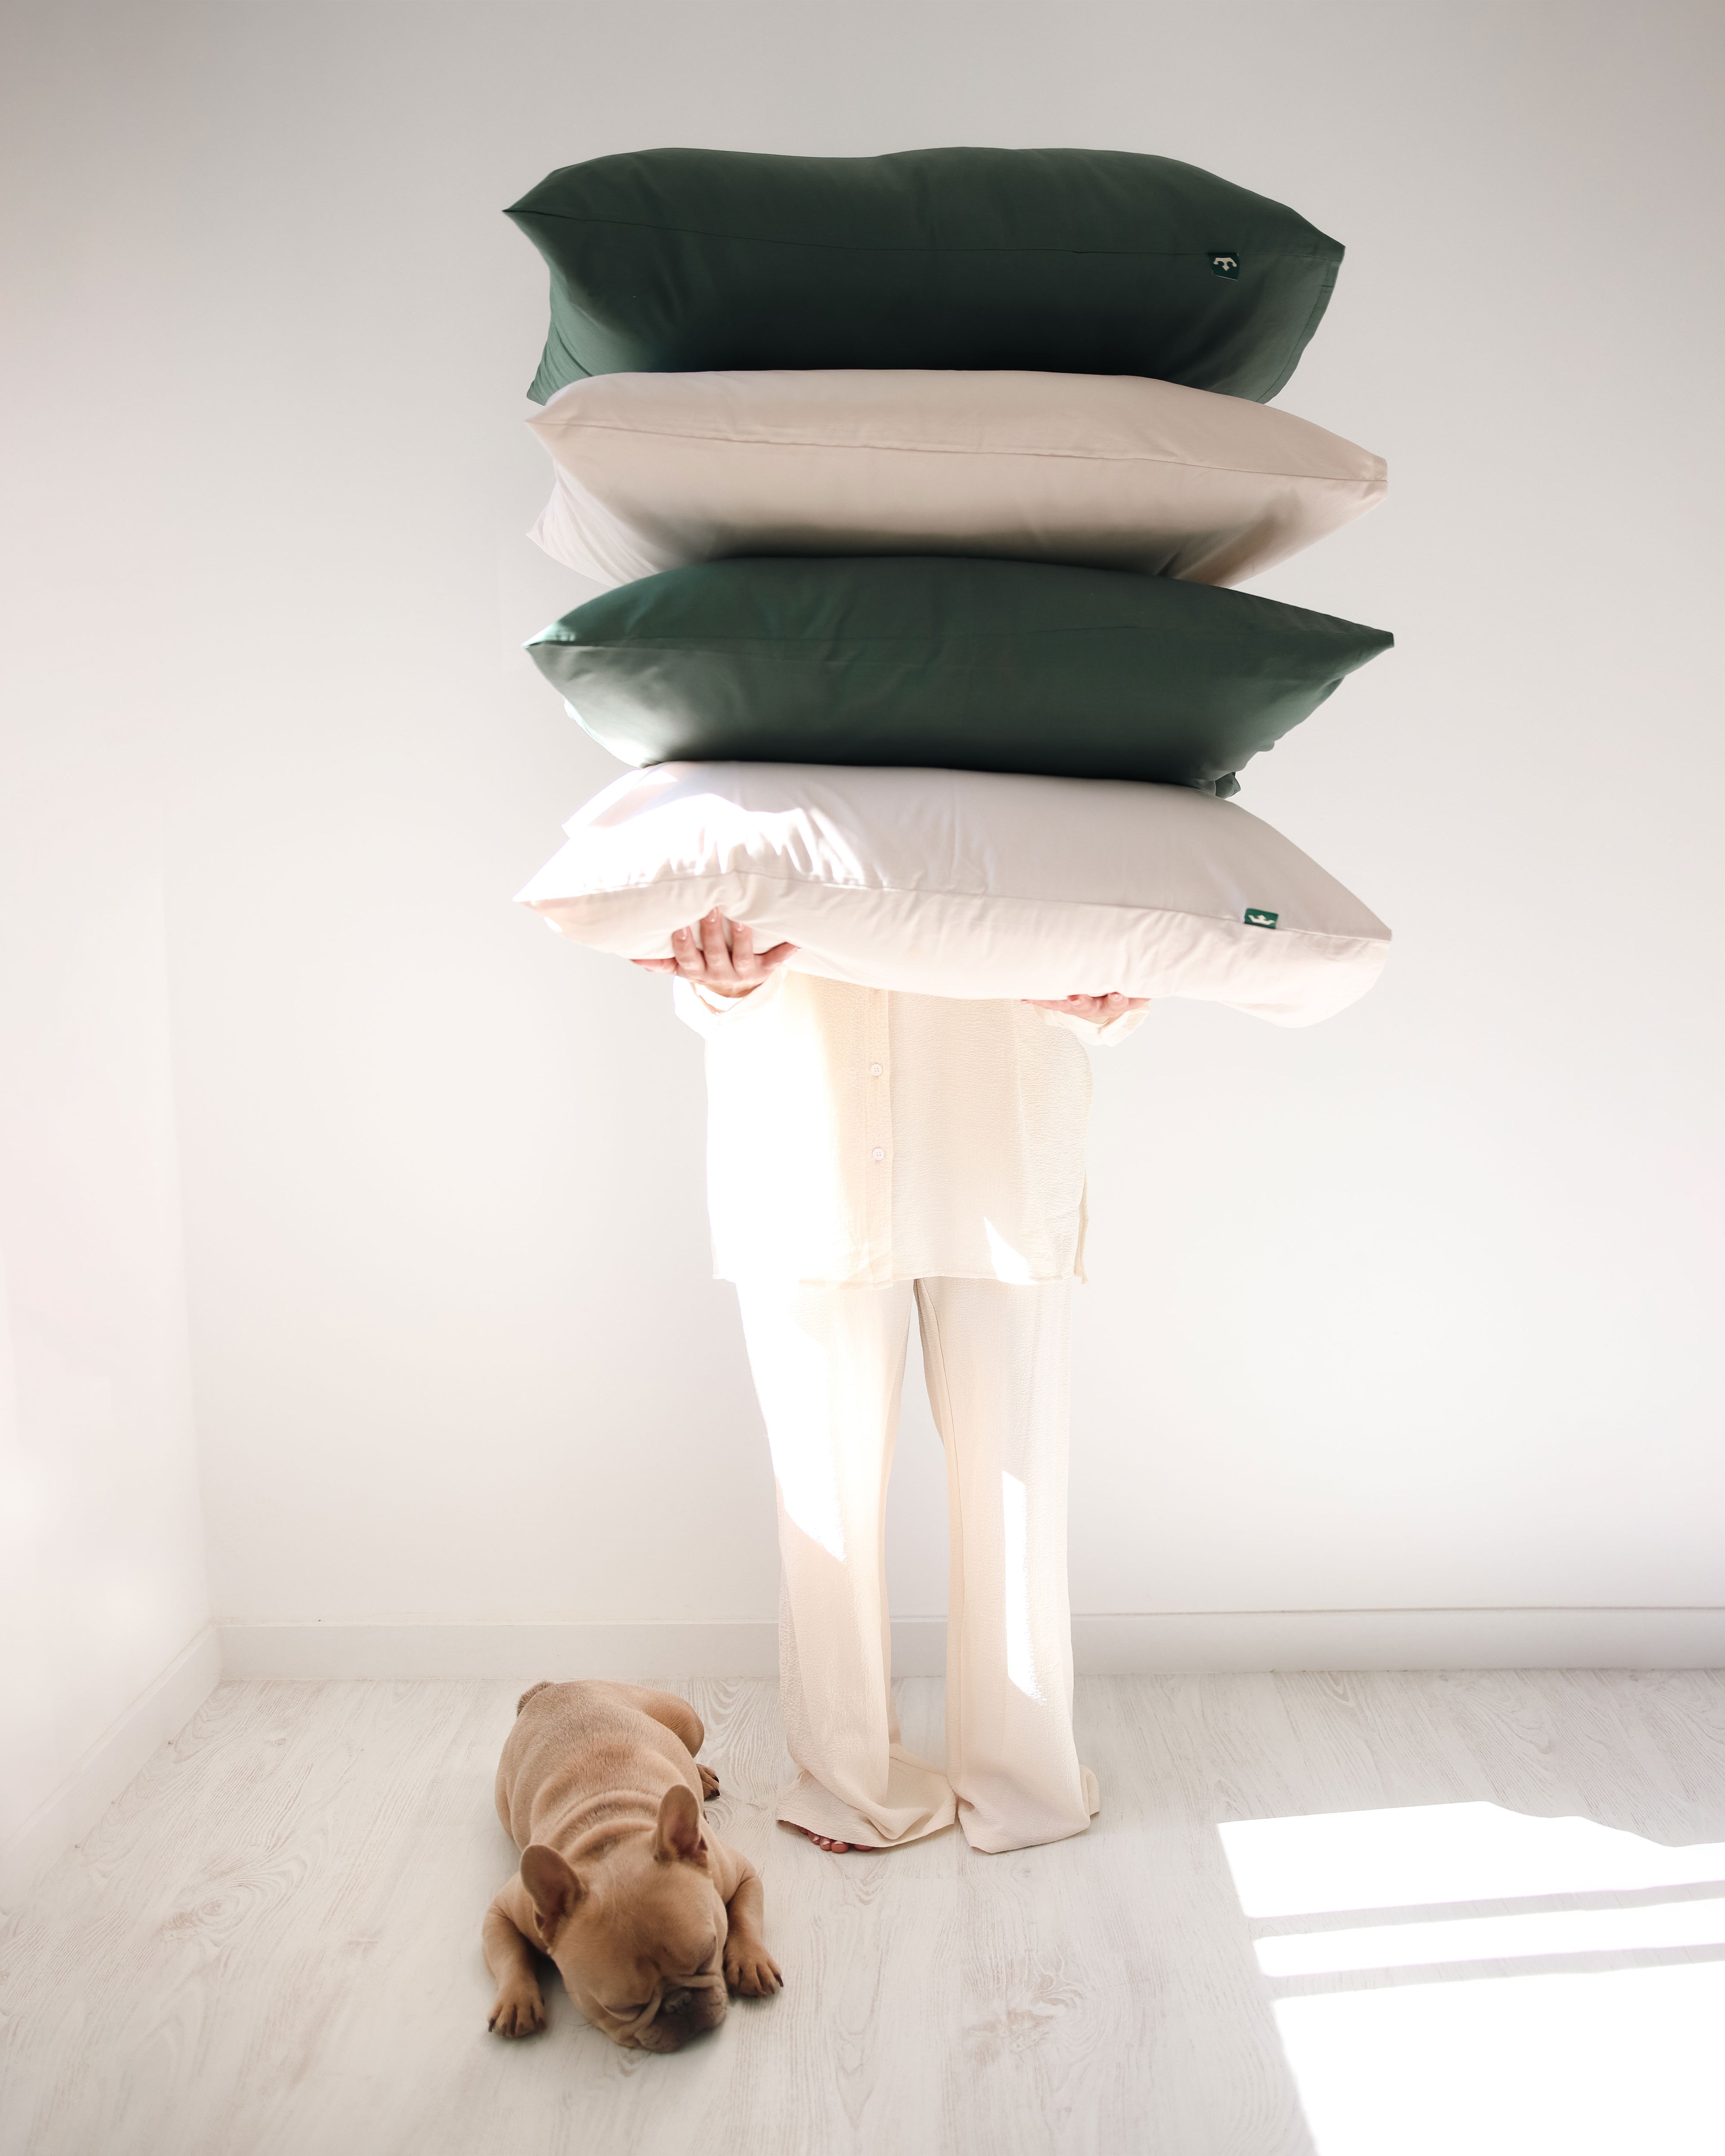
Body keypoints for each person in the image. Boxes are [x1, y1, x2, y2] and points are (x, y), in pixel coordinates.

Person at [636, 911, 1146, 1856]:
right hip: (805, 1140)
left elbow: (1107, 917)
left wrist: (1115, 987)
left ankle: (1024, 1773)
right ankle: (850, 1779)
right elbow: (703, 936)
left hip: (1001, 1132)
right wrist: (717, 978)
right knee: (823, 1494)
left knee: (1016, 1487)